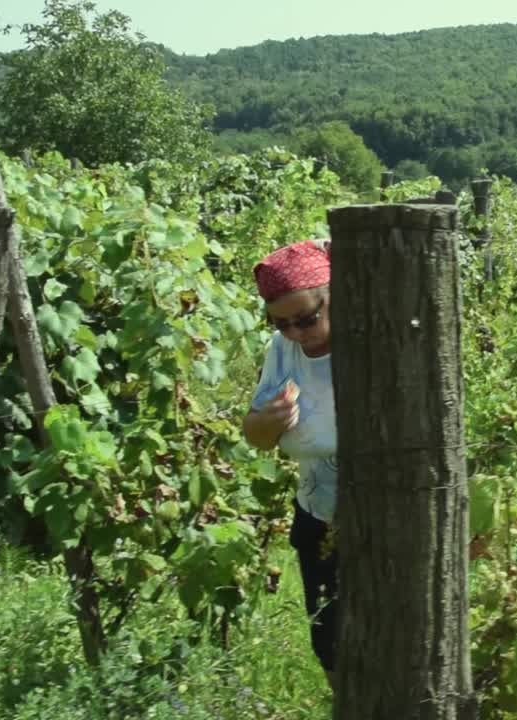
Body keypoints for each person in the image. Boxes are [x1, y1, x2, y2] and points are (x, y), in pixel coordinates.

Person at [242, 239, 338, 687]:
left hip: (383, 520)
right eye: (282, 324)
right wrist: (269, 421)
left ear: (333, 295)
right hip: (318, 517)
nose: (297, 333)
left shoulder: (370, 344)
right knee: (330, 639)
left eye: (307, 319)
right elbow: (257, 437)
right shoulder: (282, 350)